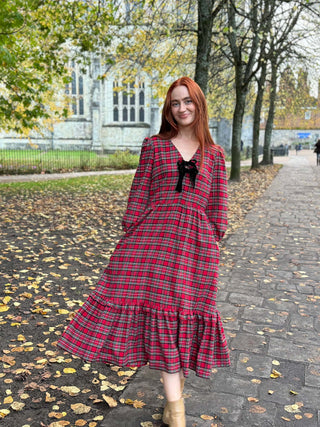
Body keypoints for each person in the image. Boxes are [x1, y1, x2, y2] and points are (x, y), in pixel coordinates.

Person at [57, 76, 230, 427]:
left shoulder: (214, 154)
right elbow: (138, 195)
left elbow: (218, 207)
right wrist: (129, 239)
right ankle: (177, 414)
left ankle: (172, 403)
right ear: (169, 109)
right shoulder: (154, 146)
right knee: (167, 316)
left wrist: (212, 242)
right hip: (153, 245)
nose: (182, 108)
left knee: (184, 318)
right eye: (175, 103)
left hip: (196, 248)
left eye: (188, 101)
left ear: (199, 104)